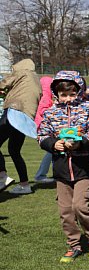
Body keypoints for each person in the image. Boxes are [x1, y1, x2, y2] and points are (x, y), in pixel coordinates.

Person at [38, 71, 89, 262]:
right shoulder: (50, 112)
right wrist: (53, 144)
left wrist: (81, 142)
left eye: (72, 94)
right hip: (61, 169)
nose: (68, 98)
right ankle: (74, 245)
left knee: (80, 206)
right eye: (63, 94)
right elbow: (42, 135)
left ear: (80, 91)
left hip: (83, 167)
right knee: (66, 210)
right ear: (56, 94)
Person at [0, 59, 41, 194]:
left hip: (14, 111)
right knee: (14, 151)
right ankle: (25, 185)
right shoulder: (35, 79)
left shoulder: (22, 73)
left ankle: (2, 176)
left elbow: (4, 83)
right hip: (25, 119)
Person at [33, 76, 55, 183]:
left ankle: (43, 174)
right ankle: (41, 175)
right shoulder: (46, 97)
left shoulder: (42, 95)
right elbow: (44, 111)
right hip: (43, 127)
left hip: (40, 126)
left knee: (52, 151)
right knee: (53, 150)